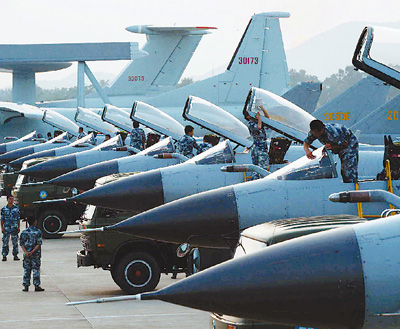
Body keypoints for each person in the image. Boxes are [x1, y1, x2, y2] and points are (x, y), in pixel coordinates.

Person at [244, 98, 270, 179]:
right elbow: (259, 127)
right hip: (258, 148)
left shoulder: (257, 121)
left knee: (259, 168)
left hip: (261, 147)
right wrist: (259, 118)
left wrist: (262, 108)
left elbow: (267, 118)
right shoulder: (250, 124)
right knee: (261, 168)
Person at [20, 217, 44, 292]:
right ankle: (36, 285)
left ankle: (26, 286)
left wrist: (26, 252)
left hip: (27, 254)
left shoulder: (24, 232)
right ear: (35, 222)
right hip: (35, 254)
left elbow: (21, 244)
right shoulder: (37, 232)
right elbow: (38, 244)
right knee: (36, 269)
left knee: (27, 270)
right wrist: (32, 251)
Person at [1, 195, 20, 261]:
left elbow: (18, 218)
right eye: (10, 199)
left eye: (12, 199)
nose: (11, 200)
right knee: (5, 242)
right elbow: (2, 219)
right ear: (7, 200)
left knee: (15, 242)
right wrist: (2, 227)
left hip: (14, 227)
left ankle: (15, 255)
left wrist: (18, 227)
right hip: (6, 228)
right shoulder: (4, 209)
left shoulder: (16, 208)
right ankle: (4, 255)